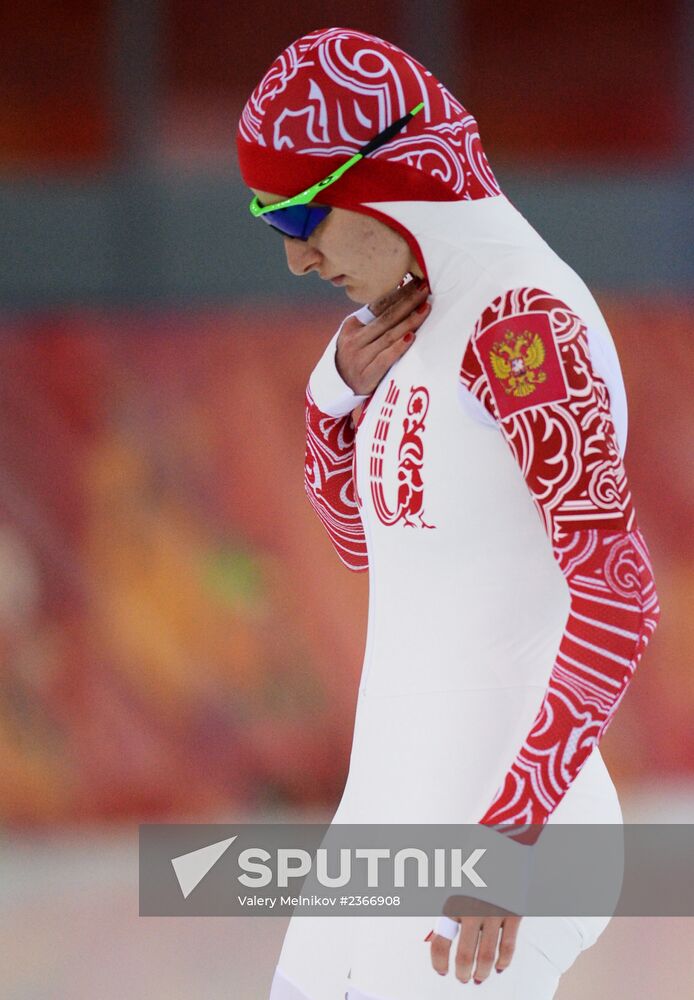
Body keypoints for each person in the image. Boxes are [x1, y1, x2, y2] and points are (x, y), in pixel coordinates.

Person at [236, 27, 660, 999]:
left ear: (383, 174)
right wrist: (329, 403)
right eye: (271, 226)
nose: (296, 259)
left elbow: (618, 590)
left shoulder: (521, 325)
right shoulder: (411, 320)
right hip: (389, 818)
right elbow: (366, 547)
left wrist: (509, 836)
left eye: (301, 214)